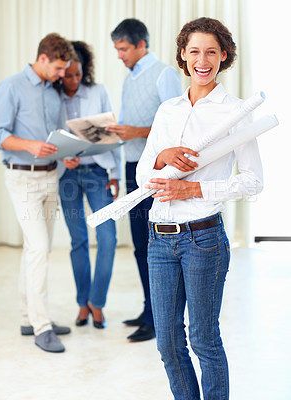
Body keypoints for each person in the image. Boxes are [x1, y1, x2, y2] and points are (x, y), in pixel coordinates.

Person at [136, 17, 263, 399]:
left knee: (204, 341)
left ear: (224, 56)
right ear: (182, 56)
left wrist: (191, 188)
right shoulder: (167, 111)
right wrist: (161, 156)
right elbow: (144, 176)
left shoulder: (236, 112)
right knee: (168, 344)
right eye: (194, 51)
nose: (202, 60)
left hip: (203, 239)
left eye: (211, 51)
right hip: (159, 240)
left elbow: (254, 180)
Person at [0, 33, 74, 353]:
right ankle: (42, 326)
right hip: (22, 179)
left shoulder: (53, 93)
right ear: (42, 59)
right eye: (58, 68)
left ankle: (28, 316)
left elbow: (55, 135)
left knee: (36, 248)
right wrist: (30, 146)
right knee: (39, 248)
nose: (61, 75)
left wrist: (64, 151)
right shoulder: (11, 86)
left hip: (51, 176)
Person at [107, 18, 182, 342]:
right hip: (132, 167)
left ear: (141, 44)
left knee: (157, 244)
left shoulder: (164, 74)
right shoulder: (128, 79)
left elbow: (178, 127)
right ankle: (149, 308)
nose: (120, 56)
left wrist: (137, 132)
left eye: (123, 49)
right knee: (140, 243)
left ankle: (159, 317)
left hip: (157, 172)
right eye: (117, 50)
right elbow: (126, 123)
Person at [56, 41, 121, 329]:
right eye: (67, 75)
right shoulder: (51, 97)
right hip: (66, 175)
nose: (72, 81)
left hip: (97, 172)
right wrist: (62, 158)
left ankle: (97, 302)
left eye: (77, 74)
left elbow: (112, 131)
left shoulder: (99, 92)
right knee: (78, 241)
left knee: (107, 238)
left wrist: (116, 173)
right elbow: (49, 138)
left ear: (85, 70)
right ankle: (83, 304)